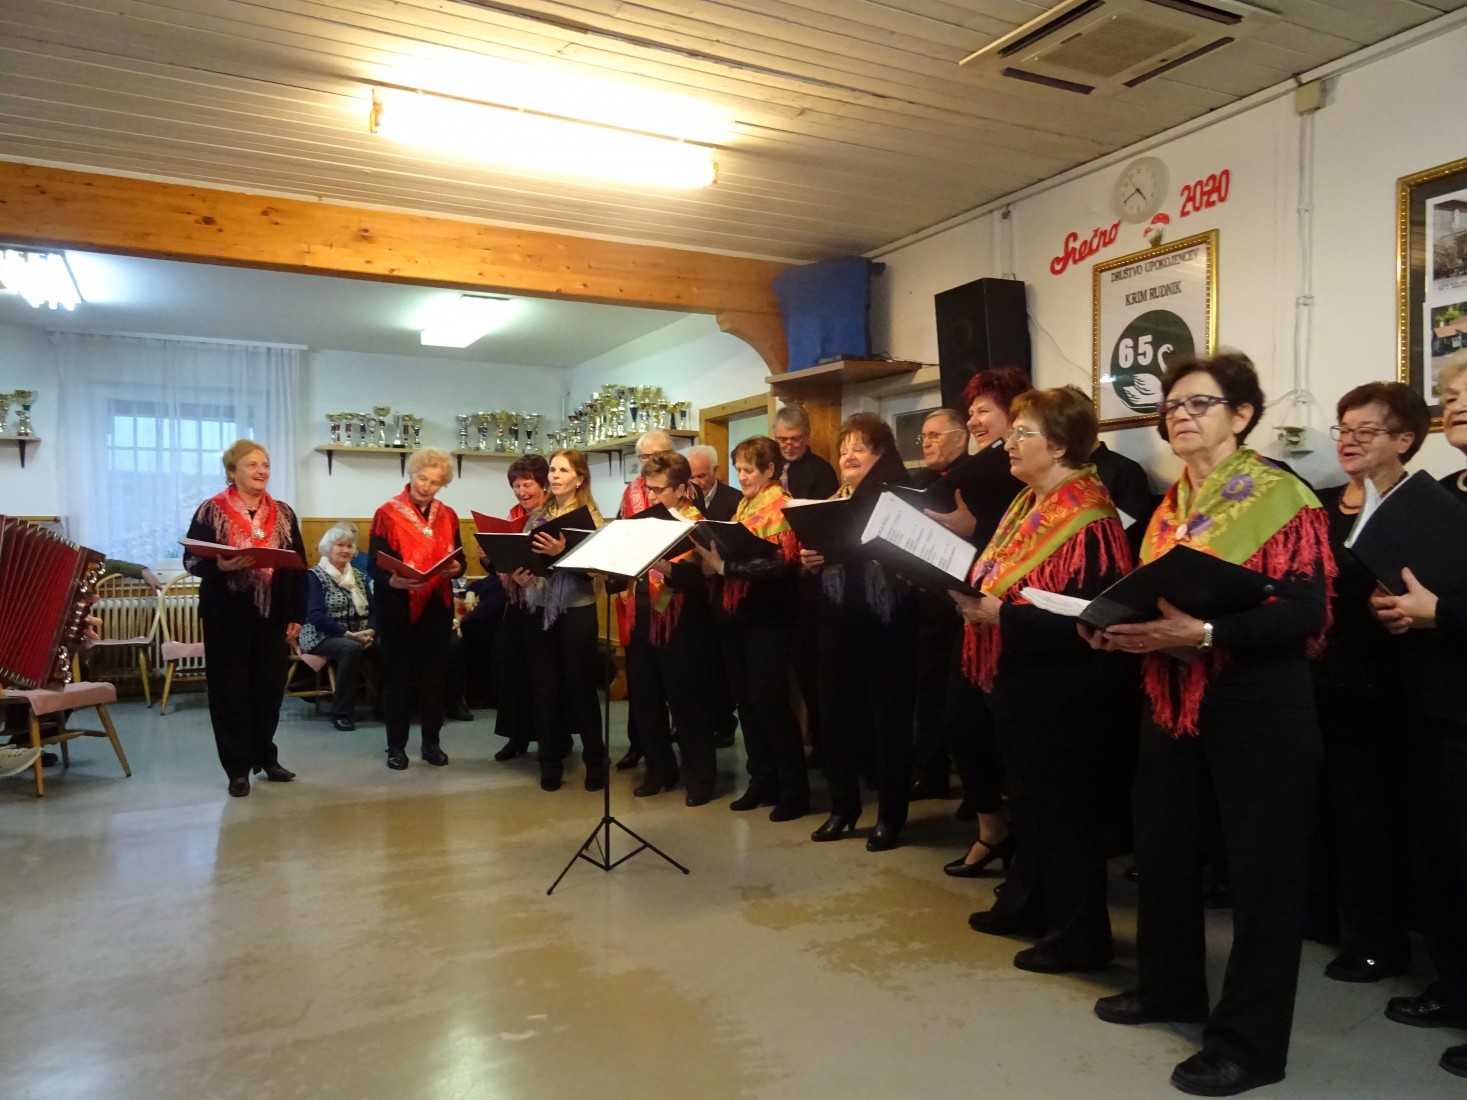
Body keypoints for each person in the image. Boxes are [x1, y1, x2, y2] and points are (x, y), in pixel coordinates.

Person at [1088, 352, 1334, 1098]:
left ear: (1242, 415)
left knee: (1262, 877)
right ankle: (1168, 988)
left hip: (1258, 701)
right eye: (1171, 406)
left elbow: (1306, 614)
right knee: (1162, 847)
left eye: (1199, 403)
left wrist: (1203, 633)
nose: (1180, 416)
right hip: (1171, 694)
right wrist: (1112, 624)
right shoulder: (1170, 507)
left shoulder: (1282, 496)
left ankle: (1250, 1046)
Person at [949, 387, 1135, 972]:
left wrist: (1001, 617)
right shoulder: (1028, 502)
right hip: (1021, 676)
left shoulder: (1090, 518)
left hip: (1066, 688)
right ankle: (1027, 903)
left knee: (1065, 814)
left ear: (1058, 445)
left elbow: (1090, 619)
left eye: (1022, 433)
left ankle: (1079, 937)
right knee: (1029, 803)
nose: (1009, 443)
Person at [1307, 382, 1430, 984]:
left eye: (1366, 430)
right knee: (1321, 805)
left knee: (1370, 816)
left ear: (1404, 439)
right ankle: (1325, 914)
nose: (1349, 441)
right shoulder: (1320, 504)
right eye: (1344, 428)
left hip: (1385, 682)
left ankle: (1379, 939)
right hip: (1316, 675)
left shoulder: (1421, 506)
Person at [1369, 362, 1467, 1081]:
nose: (1453, 401)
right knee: (1442, 860)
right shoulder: (1444, 495)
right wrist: (1401, 610)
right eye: (1452, 393)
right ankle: (1456, 987)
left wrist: (1445, 613)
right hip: (1433, 703)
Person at [923, 367, 1029, 874]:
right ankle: (993, 831)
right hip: (972, 618)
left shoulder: (1020, 479)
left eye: (984, 410)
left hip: (1017, 624)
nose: (974, 421)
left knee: (1010, 740)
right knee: (961, 725)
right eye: (970, 412)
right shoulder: (977, 472)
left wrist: (971, 528)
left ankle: (1021, 845)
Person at [800, 413, 917, 850]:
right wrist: (812, 559)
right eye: (843, 449)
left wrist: (837, 550)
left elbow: (898, 551)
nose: (848, 455)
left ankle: (891, 816)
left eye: (859, 448)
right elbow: (826, 555)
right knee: (834, 715)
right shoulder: (834, 499)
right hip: (836, 618)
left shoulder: (897, 494)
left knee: (888, 722)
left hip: (886, 623)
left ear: (880, 454)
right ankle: (843, 807)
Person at [183, 439, 307, 797]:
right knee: (230, 694)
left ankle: (266, 758)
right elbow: (191, 561)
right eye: (252, 464)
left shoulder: (284, 512)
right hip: (226, 615)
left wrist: (297, 613)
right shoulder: (211, 510)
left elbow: (299, 566)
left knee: (269, 692)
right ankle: (237, 769)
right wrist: (219, 566)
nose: (261, 471)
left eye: (265, 464)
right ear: (232, 471)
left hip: (273, 615)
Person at [699, 436, 809, 821]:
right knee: (746, 703)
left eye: (749, 470)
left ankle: (794, 790)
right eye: (739, 469)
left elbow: (779, 564)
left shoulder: (782, 505)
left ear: (770, 470)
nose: (742, 476)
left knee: (771, 704)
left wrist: (725, 567)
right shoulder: (745, 505)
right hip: (735, 615)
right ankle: (761, 780)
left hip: (769, 618)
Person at [617, 450, 719, 805]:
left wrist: (663, 565)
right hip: (643, 616)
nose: (652, 495)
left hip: (682, 623)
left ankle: (700, 778)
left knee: (688, 704)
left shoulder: (697, 524)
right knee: (646, 701)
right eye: (649, 488)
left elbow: (703, 581)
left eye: (659, 490)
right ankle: (659, 770)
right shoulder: (645, 521)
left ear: (681, 488)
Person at [506, 448, 607, 792]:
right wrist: (520, 577)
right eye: (552, 469)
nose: (555, 475)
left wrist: (561, 553)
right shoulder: (537, 516)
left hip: (577, 610)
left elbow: (595, 570)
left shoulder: (591, 517)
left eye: (563, 470)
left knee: (581, 688)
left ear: (579, 478)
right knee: (544, 688)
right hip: (538, 606)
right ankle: (549, 763)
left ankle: (596, 762)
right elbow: (526, 559)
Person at [368, 449, 465, 771]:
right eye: (422, 478)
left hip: (436, 607)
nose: (426, 486)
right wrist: (393, 581)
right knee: (397, 680)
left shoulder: (448, 515)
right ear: (411, 474)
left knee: (434, 679)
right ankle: (395, 747)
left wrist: (457, 569)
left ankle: (431, 744)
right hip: (396, 609)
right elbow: (374, 565)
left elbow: (460, 560)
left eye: (435, 482)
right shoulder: (387, 513)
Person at [774, 402, 839, 771]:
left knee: (811, 667)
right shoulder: (773, 466)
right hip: (779, 582)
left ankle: (822, 740)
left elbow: (822, 522)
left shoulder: (821, 471)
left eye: (795, 439)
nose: (788, 445)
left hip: (809, 579)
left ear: (808, 436)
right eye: (782, 439)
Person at [613, 429, 674, 772]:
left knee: (668, 682)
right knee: (641, 682)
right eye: (644, 457)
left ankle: (671, 756)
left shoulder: (683, 490)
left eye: (657, 455)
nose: (650, 462)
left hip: (671, 596)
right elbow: (621, 533)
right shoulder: (630, 491)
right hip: (637, 592)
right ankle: (641, 746)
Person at [299, 524, 377, 732]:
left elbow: (375, 610)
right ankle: (341, 712)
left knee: (388, 643)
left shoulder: (359, 576)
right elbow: (316, 616)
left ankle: (383, 706)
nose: (345, 550)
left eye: (349, 546)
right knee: (351, 648)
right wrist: (349, 635)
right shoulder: (314, 576)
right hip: (321, 635)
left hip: (360, 633)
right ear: (328, 548)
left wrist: (371, 631)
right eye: (340, 545)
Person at [687, 444, 741, 521]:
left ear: (715, 471)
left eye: (701, 476)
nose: (695, 483)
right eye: (691, 478)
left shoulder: (737, 500)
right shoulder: (681, 499)